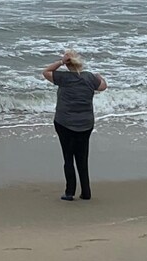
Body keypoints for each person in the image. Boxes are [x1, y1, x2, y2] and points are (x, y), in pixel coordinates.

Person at [37, 53, 105, 201]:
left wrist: (60, 62)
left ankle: (70, 192)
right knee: (82, 158)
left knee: (68, 158)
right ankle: (86, 192)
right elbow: (103, 86)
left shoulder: (63, 77)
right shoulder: (89, 77)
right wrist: (100, 77)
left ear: (68, 64)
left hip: (64, 123)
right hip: (86, 123)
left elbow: (46, 72)